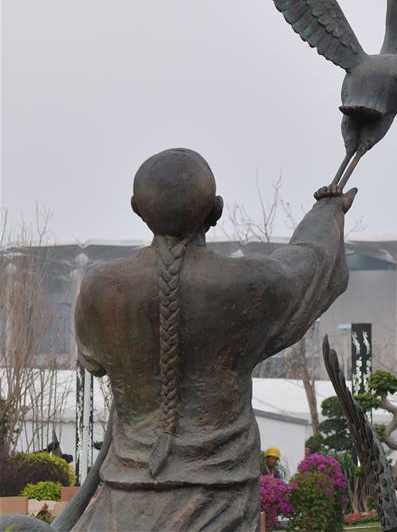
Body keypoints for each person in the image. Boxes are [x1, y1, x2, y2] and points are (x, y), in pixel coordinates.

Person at [72, 148, 355, 531]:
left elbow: (93, 362)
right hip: (219, 501)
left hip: (121, 505)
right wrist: (328, 211)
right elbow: (309, 261)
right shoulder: (248, 284)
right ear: (216, 210)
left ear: (136, 209)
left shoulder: (99, 290)